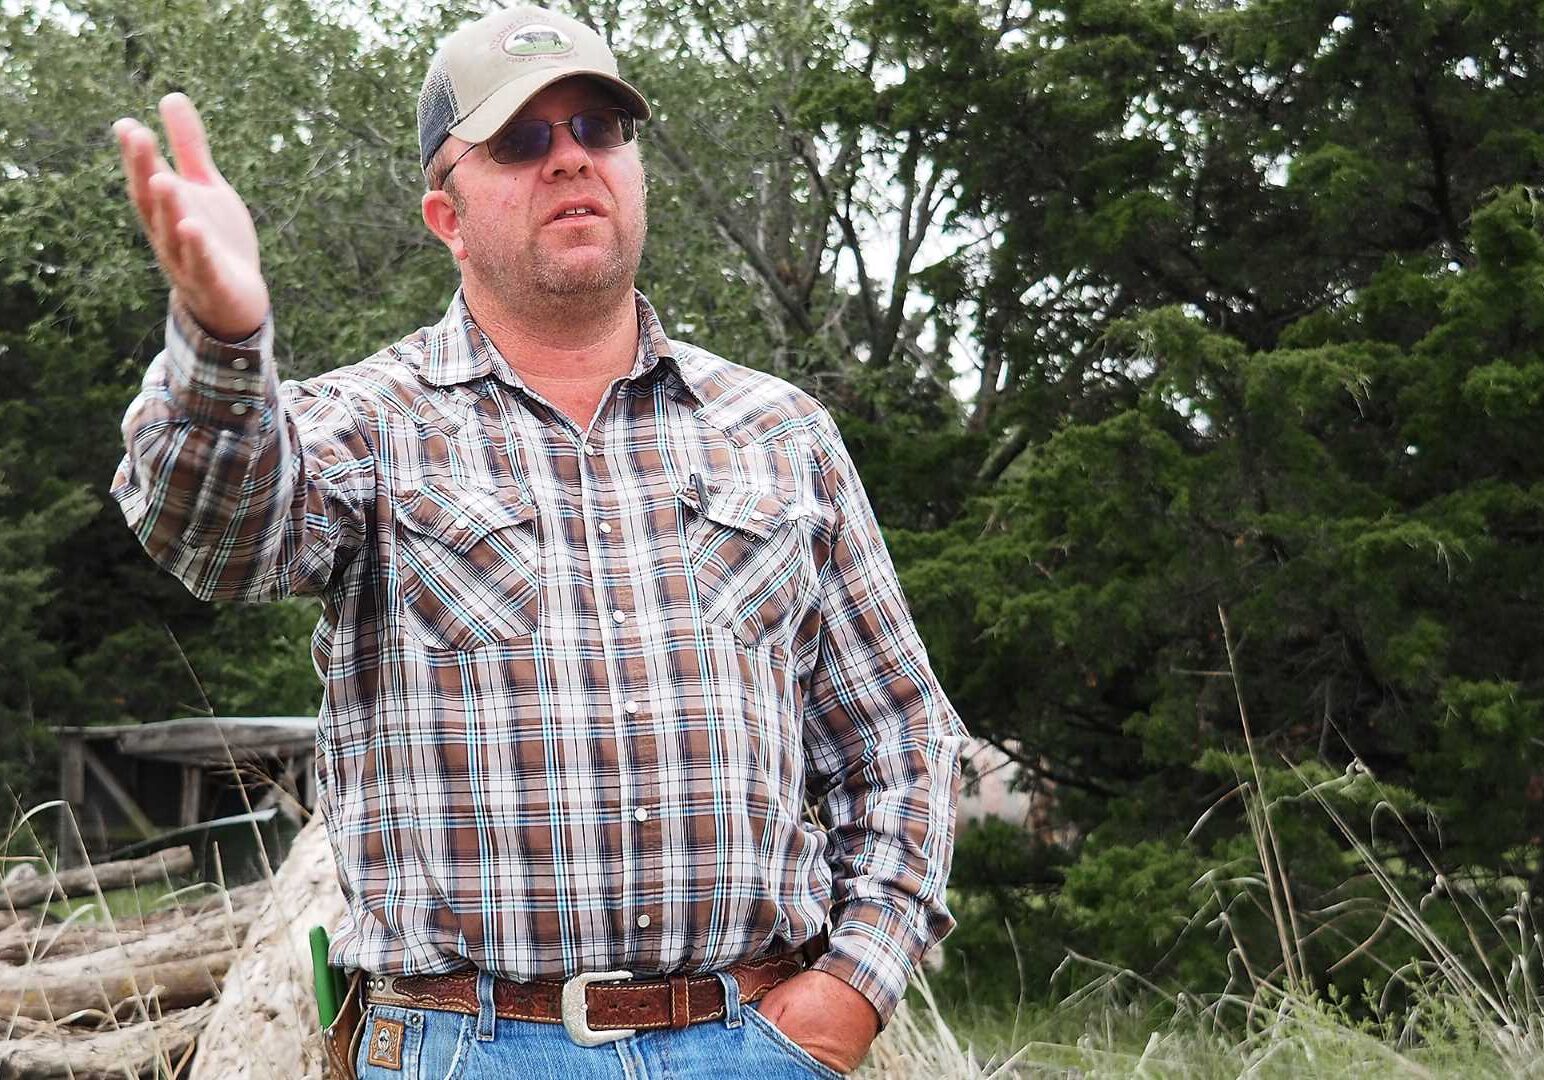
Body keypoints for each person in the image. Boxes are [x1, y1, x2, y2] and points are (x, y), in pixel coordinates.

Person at [110, 5, 965, 1076]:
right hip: (462, 1047)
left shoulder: (778, 431)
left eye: (597, 132)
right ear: (446, 216)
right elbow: (213, 535)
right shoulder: (366, 424)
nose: (569, 160)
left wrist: (853, 985)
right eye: (520, 141)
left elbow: (899, 738)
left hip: (757, 1040)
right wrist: (224, 340)